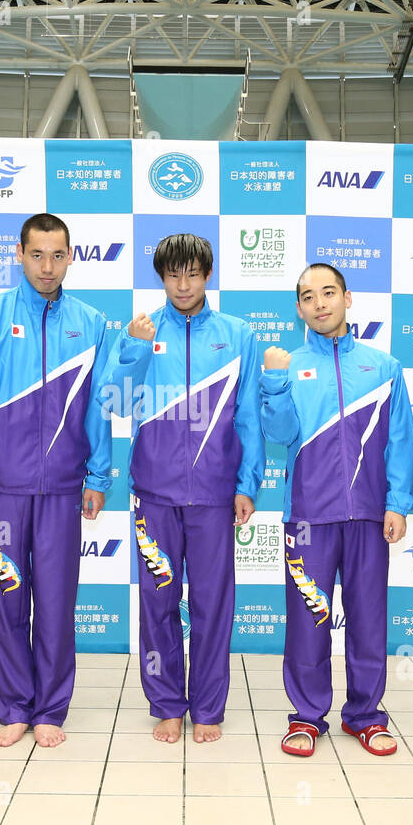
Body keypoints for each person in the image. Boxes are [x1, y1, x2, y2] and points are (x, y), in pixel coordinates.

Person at [0, 212, 111, 748]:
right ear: (18, 254)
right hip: (1, 483)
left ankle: (51, 709)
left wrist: (98, 474)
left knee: (58, 601)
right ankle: (14, 706)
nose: (46, 266)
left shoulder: (92, 322)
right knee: (8, 598)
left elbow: (98, 407)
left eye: (56, 255)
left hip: (63, 484)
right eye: (36, 254)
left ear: (71, 257)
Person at [98, 234, 262, 744]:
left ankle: (208, 707)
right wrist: (134, 349)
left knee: (214, 604)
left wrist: (246, 484)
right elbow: (115, 404)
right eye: (174, 275)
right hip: (154, 492)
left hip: (214, 494)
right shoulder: (141, 331)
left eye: (193, 273)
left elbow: (250, 416)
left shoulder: (237, 334)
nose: (184, 284)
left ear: (207, 274)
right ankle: (167, 704)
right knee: (158, 602)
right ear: (162, 277)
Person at [259, 263, 413, 758]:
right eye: (308, 297)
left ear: (348, 298)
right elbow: (280, 435)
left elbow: (402, 442)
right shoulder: (289, 365)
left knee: (368, 618)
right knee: (308, 619)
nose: (320, 303)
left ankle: (365, 716)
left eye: (329, 293)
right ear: (299, 308)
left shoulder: (383, 366)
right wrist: (276, 382)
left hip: (369, 516)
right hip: (308, 516)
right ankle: (306, 716)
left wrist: (397, 503)